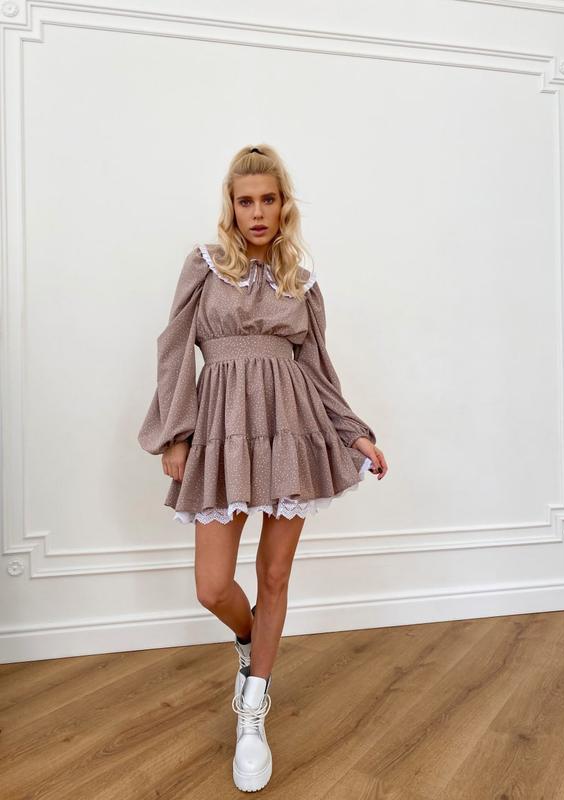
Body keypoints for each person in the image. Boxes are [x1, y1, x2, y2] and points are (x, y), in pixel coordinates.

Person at [138, 144, 388, 792]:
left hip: (291, 431)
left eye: (268, 199)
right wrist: (175, 434)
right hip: (221, 432)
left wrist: (353, 432)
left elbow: (317, 370)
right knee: (212, 587)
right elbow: (174, 351)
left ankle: (253, 709)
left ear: (283, 205)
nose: (257, 212)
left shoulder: (300, 280)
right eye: (245, 200)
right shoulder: (203, 265)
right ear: (231, 205)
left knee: (274, 575)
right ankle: (253, 644)